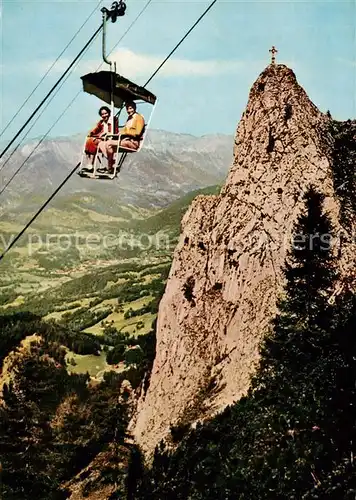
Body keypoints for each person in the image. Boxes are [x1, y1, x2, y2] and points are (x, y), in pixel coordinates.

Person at [98, 101, 145, 172]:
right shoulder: (130, 118)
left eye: (130, 108)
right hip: (125, 140)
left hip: (133, 142)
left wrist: (125, 133)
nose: (129, 111)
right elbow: (125, 131)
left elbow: (137, 133)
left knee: (109, 143)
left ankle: (110, 167)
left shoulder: (139, 118)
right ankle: (110, 164)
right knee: (102, 144)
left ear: (135, 108)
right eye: (127, 109)